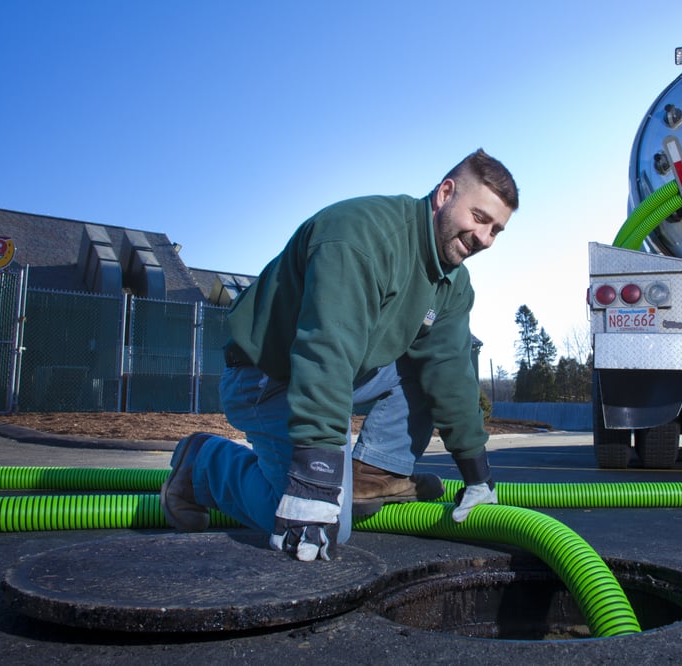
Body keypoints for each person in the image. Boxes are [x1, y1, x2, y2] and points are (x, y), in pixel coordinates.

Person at [160, 148, 519, 562]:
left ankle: (372, 473)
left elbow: (450, 372)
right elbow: (325, 352)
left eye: (496, 230)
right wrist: (315, 482)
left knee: (426, 366)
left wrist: (478, 477)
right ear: (445, 194)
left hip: (339, 372)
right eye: (479, 217)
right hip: (266, 376)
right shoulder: (362, 237)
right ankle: (204, 464)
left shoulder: (453, 282)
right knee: (325, 524)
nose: (484, 239)